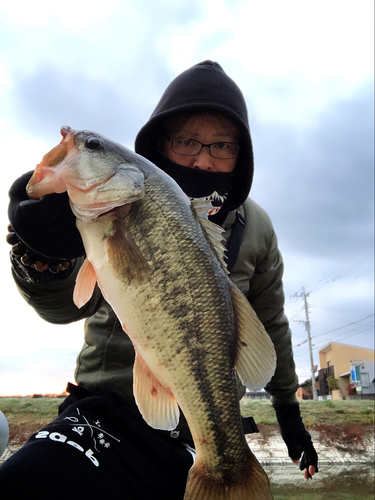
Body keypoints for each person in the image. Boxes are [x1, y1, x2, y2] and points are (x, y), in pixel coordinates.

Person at [1, 61, 318, 497]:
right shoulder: (110, 206)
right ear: (160, 144)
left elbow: (271, 322)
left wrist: (288, 411)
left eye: (222, 145)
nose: (204, 158)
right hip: (105, 414)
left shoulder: (257, 227)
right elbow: (60, 308)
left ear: (241, 155)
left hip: (204, 430)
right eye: (187, 140)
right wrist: (40, 255)